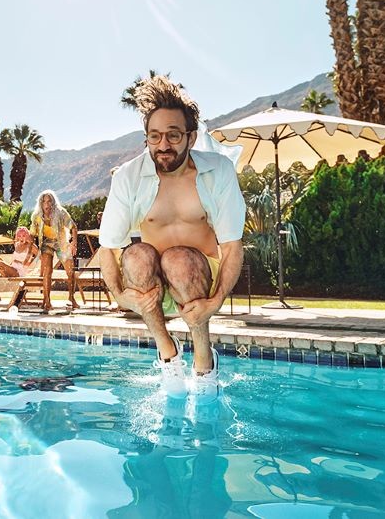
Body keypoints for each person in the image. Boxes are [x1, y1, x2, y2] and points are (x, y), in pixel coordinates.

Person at [98, 75, 245, 403]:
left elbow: (233, 246)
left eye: (173, 136)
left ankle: (204, 359)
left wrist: (216, 301)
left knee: (177, 259)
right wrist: (121, 296)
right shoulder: (128, 176)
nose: (163, 145)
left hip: (199, 278)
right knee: (134, 255)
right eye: (155, 136)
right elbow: (108, 246)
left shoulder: (218, 171)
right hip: (154, 287)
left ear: (191, 138)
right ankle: (168, 352)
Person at [31, 190, 79, 312]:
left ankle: (71, 298)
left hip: (61, 243)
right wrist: (31, 248)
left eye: (49, 201)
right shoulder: (36, 216)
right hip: (46, 243)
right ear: (41, 204)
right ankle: (47, 300)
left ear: (53, 202)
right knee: (47, 271)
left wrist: (74, 243)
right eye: (44, 202)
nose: (46, 204)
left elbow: (73, 227)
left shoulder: (61, 212)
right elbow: (32, 234)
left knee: (70, 271)